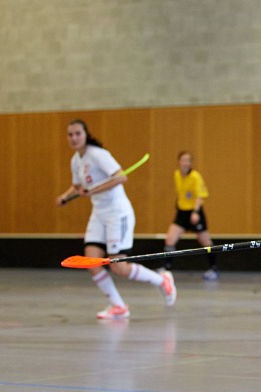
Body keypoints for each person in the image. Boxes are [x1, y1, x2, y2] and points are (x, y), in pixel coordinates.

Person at [56, 119, 177, 319]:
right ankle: (119, 306)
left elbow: (121, 177)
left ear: (86, 134)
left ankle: (162, 280)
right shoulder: (76, 160)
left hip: (117, 213)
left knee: (119, 266)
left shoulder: (98, 155)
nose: (74, 138)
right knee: (91, 261)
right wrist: (65, 196)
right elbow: (78, 186)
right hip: (99, 213)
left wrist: (92, 190)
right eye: (70, 134)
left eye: (78, 133)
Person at [162, 151, 219, 280]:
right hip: (182, 213)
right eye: (183, 160)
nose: (186, 163)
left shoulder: (195, 176)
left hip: (194, 212)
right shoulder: (176, 174)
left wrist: (195, 212)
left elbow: (200, 195)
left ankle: (213, 269)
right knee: (170, 239)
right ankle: (167, 269)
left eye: (188, 160)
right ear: (179, 162)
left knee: (205, 241)